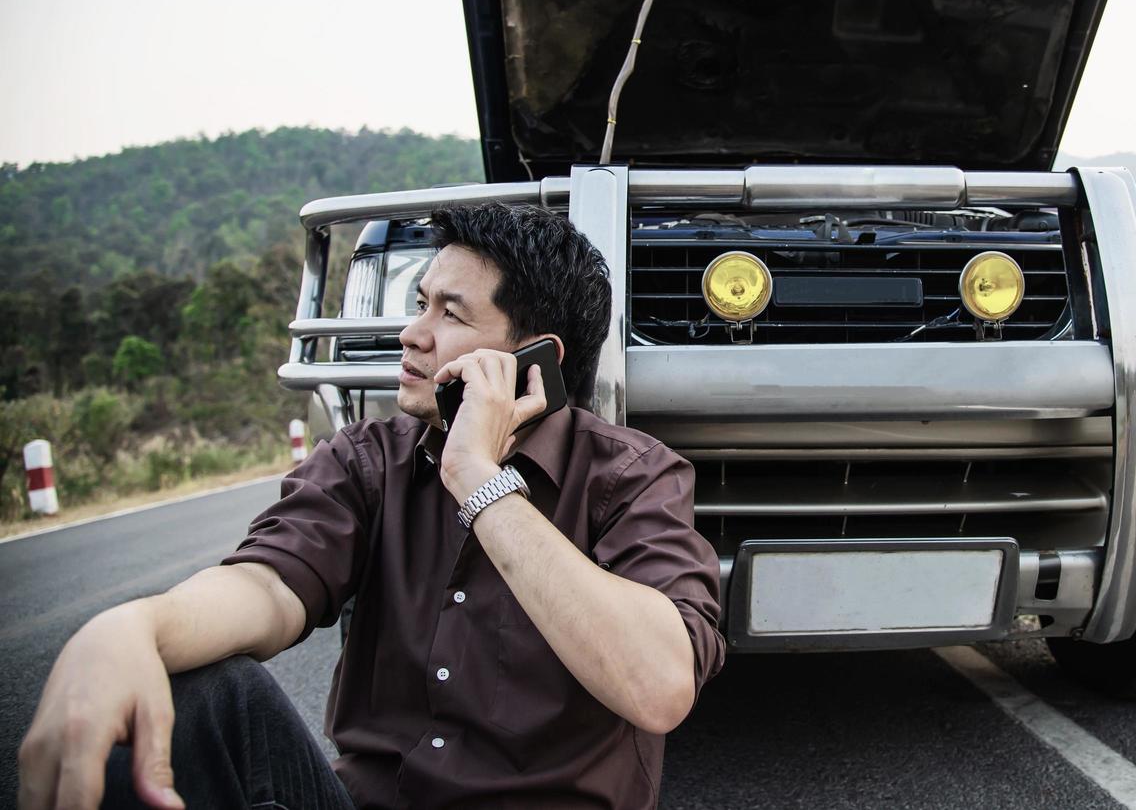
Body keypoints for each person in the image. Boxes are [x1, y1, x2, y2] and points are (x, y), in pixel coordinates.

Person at [18, 202, 725, 810]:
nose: (412, 334)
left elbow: (658, 686)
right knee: (200, 691)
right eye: (421, 303)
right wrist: (133, 628)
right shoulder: (369, 460)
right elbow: (267, 585)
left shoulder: (632, 476)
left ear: (534, 358)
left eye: (450, 313)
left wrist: (479, 480)